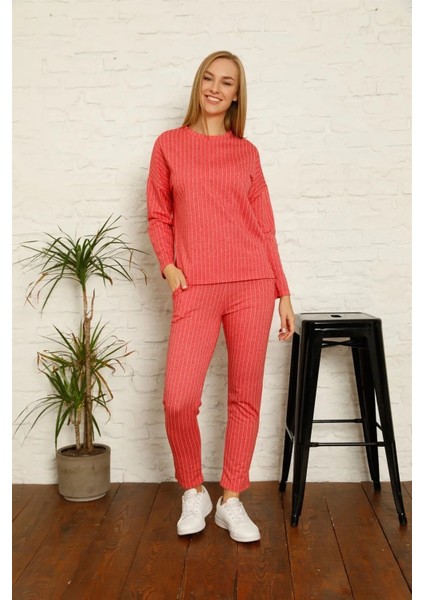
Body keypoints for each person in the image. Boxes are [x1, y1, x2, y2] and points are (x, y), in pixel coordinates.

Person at [147, 50, 295, 543]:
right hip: (195, 285)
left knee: (244, 396)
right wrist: (169, 266)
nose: (215, 88)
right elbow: (159, 215)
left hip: (252, 283)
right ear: (199, 85)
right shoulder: (169, 144)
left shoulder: (246, 152)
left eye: (226, 82)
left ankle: (231, 499)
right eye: (208, 78)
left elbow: (265, 227)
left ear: (236, 95)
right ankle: (194, 490)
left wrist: (283, 293)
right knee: (178, 400)